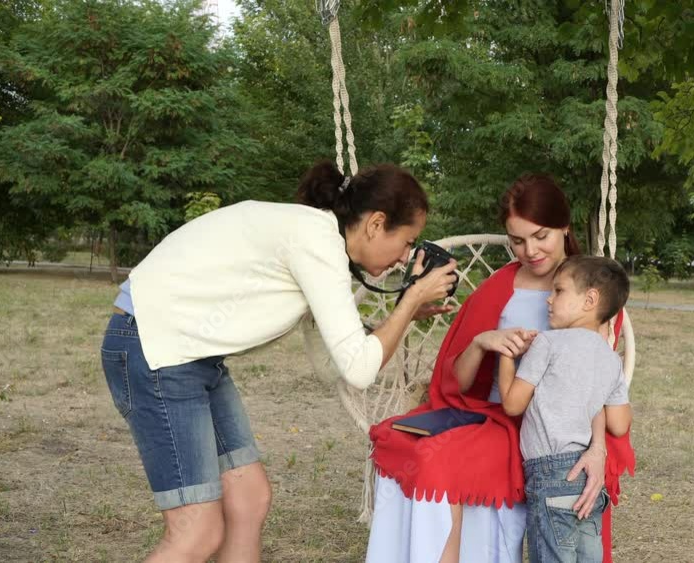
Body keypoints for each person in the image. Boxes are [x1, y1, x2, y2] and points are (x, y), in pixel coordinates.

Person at [99, 161, 458, 563]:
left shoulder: (319, 241)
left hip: (188, 354)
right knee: (196, 532)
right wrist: (410, 300)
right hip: (154, 347)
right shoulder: (316, 241)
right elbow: (359, 370)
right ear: (376, 224)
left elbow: (336, 363)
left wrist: (405, 314)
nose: (405, 258)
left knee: (249, 498)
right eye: (407, 242)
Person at [367, 175, 635, 563]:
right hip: (490, 414)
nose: (530, 251)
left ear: (564, 227)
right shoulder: (500, 286)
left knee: (436, 462)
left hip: (549, 429)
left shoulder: (592, 293)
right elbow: (457, 383)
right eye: (517, 240)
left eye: (540, 236)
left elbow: (595, 385)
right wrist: (483, 342)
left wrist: (597, 449)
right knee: (403, 442)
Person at [497, 255, 632, 563]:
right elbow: (620, 423)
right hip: (587, 480)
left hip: (549, 476)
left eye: (558, 291)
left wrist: (507, 355)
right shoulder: (611, 360)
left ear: (590, 300)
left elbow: (513, 404)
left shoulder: (547, 343)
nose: (549, 299)